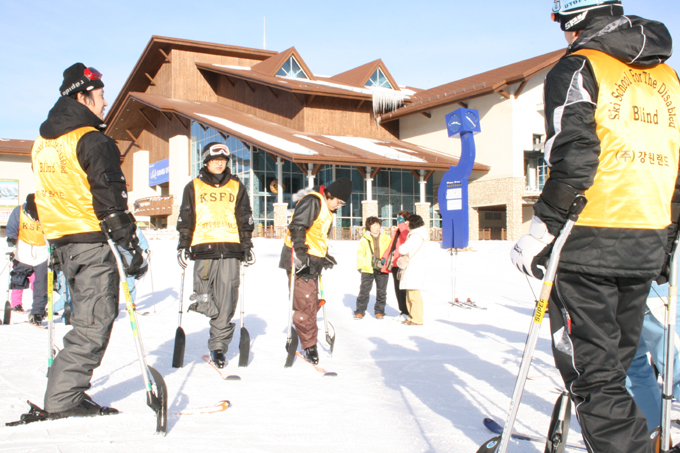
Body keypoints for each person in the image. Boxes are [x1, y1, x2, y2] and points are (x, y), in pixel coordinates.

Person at [510, 2, 680, 450]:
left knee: (593, 376)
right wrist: (667, 242)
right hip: (646, 238)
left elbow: (575, 158)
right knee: (614, 368)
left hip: (589, 240)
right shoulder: (669, 77)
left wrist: (541, 231)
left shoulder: (579, 67)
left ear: (574, 18)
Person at [31, 63, 147, 419]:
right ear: (82, 97)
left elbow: (42, 196)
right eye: (100, 95)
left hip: (63, 242)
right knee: (94, 322)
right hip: (91, 241)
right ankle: (63, 398)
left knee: (86, 318)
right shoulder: (92, 139)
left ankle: (64, 390)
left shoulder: (44, 142)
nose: (105, 102)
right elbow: (110, 199)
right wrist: (130, 246)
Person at [176, 142, 255, 369]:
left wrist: (247, 245)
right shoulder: (193, 186)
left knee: (227, 299)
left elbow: (244, 218)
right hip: (203, 249)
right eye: (215, 160)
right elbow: (186, 218)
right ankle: (213, 320)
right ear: (206, 162)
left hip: (231, 249)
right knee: (204, 297)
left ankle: (218, 346)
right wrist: (183, 245)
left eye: (223, 160)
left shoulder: (236, 186)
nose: (219, 164)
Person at [278, 177, 352, 364]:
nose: (338, 206)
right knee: (306, 303)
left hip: (313, 260)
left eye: (342, 204)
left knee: (310, 302)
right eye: (338, 201)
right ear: (330, 194)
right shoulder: (313, 201)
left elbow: (317, 236)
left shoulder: (327, 210)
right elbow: (297, 226)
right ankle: (309, 345)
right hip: (300, 258)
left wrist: (324, 255)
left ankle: (307, 338)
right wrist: (300, 252)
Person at [626, 280, 680, 431]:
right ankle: (653, 435)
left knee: (675, 366)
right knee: (628, 365)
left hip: (661, 288)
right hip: (623, 290)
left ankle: (652, 433)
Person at [6, 194, 48, 325]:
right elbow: (12, 228)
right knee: (18, 280)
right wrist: (11, 245)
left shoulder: (46, 212)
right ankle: (16, 303)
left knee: (40, 283)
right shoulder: (18, 211)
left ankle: (38, 311)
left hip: (41, 252)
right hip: (22, 250)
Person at [354, 216, 391, 319]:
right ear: (369, 226)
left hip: (382, 267)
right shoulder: (364, 239)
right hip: (368, 268)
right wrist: (360, 266)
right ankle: (360, 311)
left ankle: (379, 311)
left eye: (378, 225)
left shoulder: (386, 238)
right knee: (364, 290)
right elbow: (360, 253)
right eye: (374, 225)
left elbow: (389, 251)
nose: (377, 227)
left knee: (382, 291)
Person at [397, 214, 428, 325]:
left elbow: (403, 249)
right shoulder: (418, 234)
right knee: (410, 294)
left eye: (408, 221)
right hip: (414, 267)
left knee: (414, 295)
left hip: (414, 268)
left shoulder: (415, 236)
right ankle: (412, 317)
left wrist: (402, 247)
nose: (406, 223)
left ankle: (417, 319)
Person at [381, 210, 410, 321]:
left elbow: (405, 236)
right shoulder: (398, 230)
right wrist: (385, 256)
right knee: (397, 288)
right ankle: (402, 310)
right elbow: (392, 245)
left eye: (401, 218)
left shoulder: (408, 229)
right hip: (394, 262)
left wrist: (402, 224)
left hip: (402, 262)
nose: (399, 220)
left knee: (403, 288)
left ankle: (406, 311)